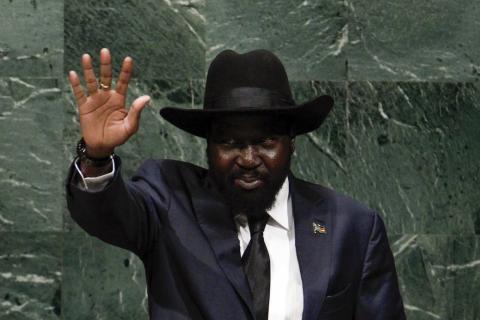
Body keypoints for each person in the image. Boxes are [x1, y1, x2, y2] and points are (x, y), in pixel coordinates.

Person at [66, 48, 406, 320]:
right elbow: (105, 213)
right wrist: (96, 156)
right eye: (229, 143)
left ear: (292, 142)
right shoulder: (169, 199)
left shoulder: (352, 227)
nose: (247, 158)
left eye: (266, 141)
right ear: (209, 147)